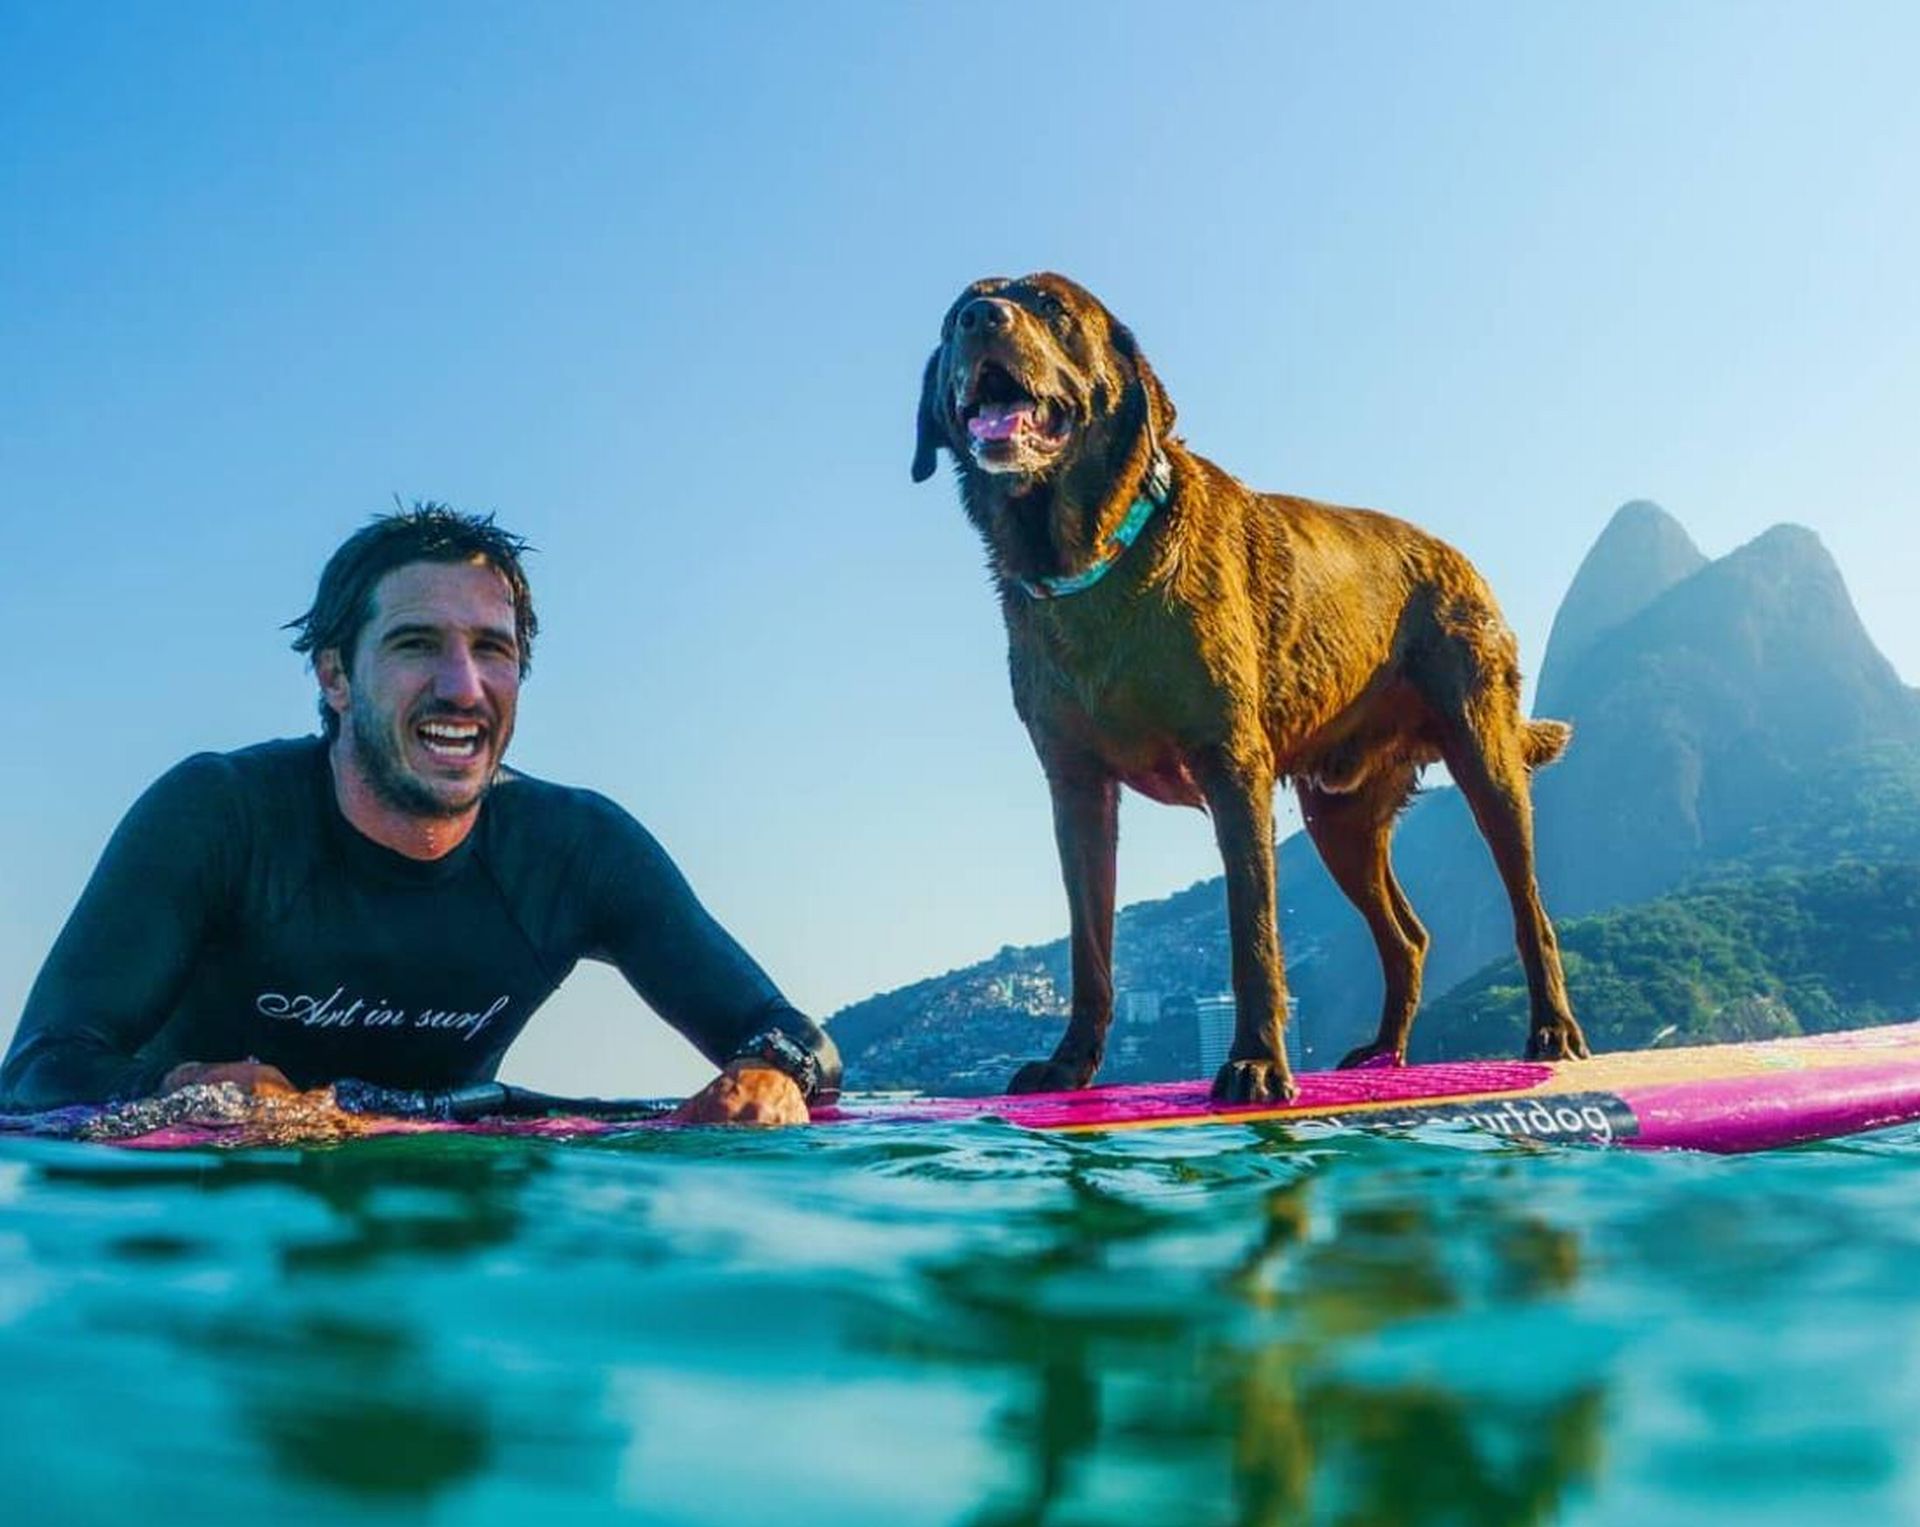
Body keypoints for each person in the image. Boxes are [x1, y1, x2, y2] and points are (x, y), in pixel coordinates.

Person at [0, 505, 838, 1125]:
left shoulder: (579, 851)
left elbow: (800, 1042)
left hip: (442, 1208)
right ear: (335, 676)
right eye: (416, 644)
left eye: (492, 650)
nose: (462, 687)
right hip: (208, 1232)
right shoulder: (218, 817)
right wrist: (186, 1092)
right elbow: (36, 1073)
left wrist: (767, 1075)